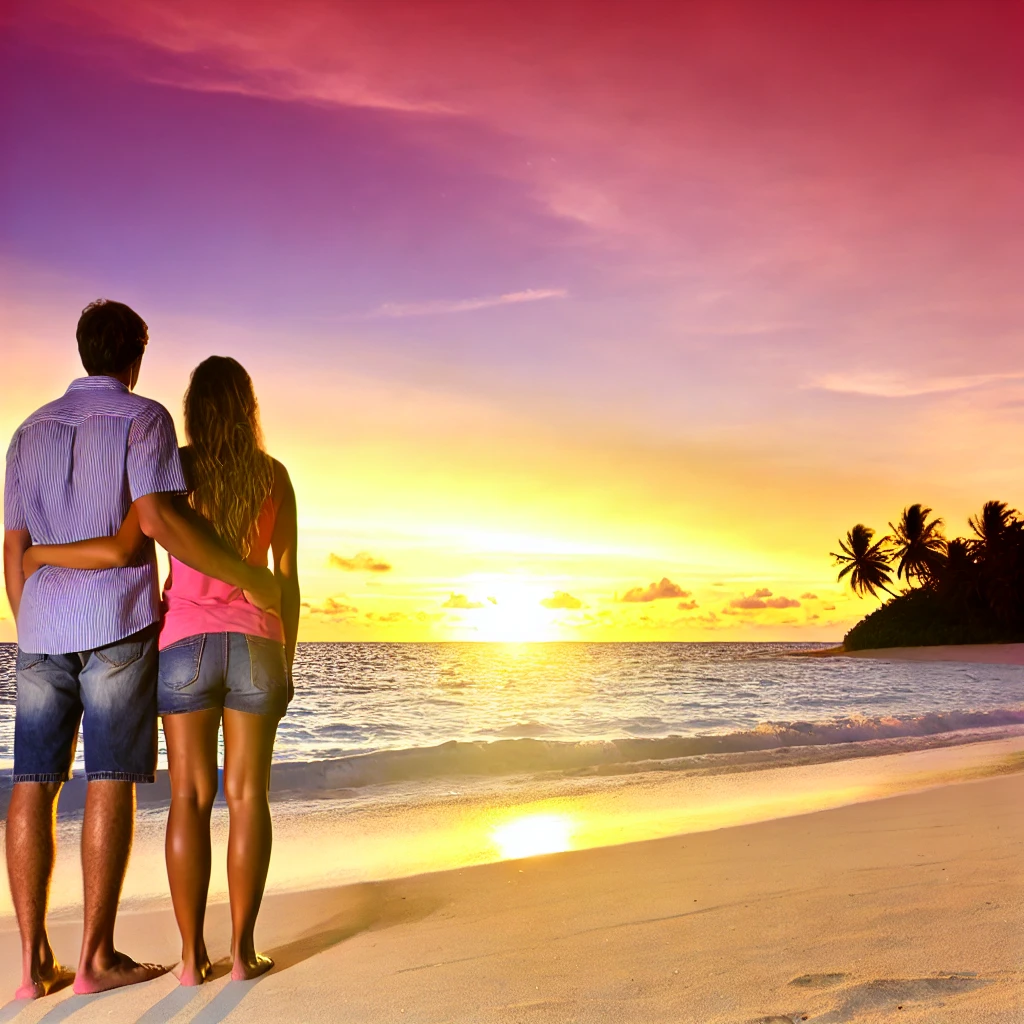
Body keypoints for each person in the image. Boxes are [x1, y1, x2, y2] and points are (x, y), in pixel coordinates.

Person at [2, 301, 280, 999]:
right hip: (120, 623)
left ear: (81, 349)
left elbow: (13, 547)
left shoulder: (26, 431)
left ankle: (34, 965)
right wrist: (247, 577)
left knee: (32, 783)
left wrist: (32, 612)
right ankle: (96, 957)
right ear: (135, 357)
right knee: (110, 779)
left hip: (39, 626)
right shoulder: (144, 417)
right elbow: (149, 526)